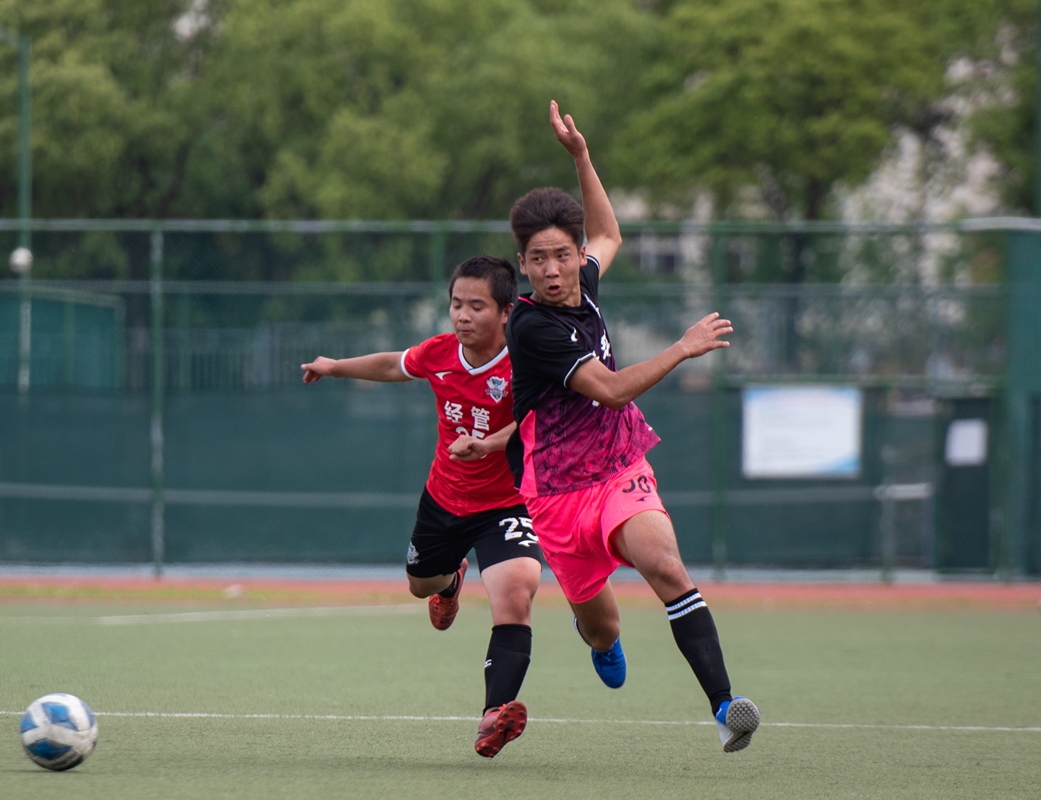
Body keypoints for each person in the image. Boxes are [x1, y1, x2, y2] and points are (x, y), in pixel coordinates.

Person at [503, 101, 760, 753]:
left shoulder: (584, 284)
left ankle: (725, 706)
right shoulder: (532, 327)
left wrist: (582, 158)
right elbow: (613, 391)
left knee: (666, 567)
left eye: (564, 255)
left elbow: (610, 236)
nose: (556, 270)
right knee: (602, 627)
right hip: (558, 495)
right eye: (540, 260)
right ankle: (598, 637)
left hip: (619, 469)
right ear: (524, 265)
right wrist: (681, 347)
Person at [301, 255, 542, 758]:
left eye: (477, 306)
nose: (463, 316)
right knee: (420, 585)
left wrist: (490, 444)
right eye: (457, 304)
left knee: (516, 592)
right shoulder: (440, 352)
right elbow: (394, 363)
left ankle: (494, 714)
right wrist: (335, 367)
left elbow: (540, 418)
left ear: (505, 312)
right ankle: (450, 581)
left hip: (509, 503)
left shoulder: (526, 358)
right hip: (445, 500)